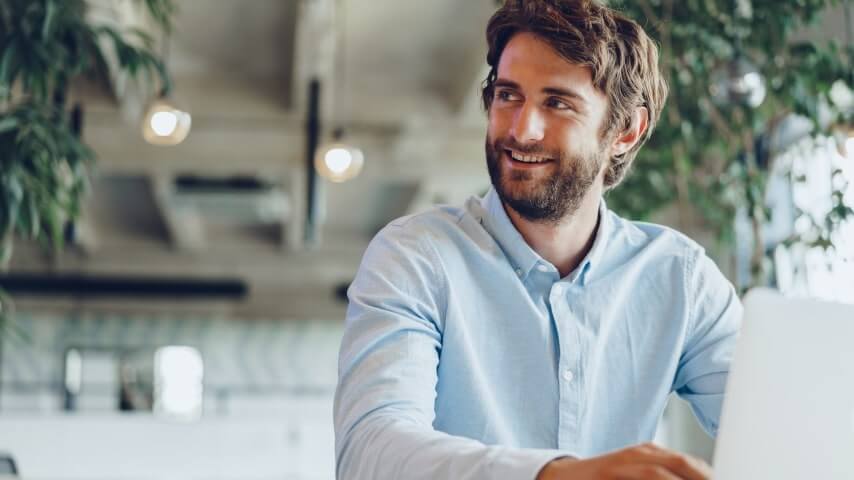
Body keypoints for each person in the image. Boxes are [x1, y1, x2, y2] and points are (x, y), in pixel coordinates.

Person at [333, 1, 742, 478]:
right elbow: (371, 451)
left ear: (627, 131)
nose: (521, 130)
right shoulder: (416, 256)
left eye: (557, 102)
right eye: (508, 96)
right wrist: (555, 475)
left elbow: (778, 428)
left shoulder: (680, 278)